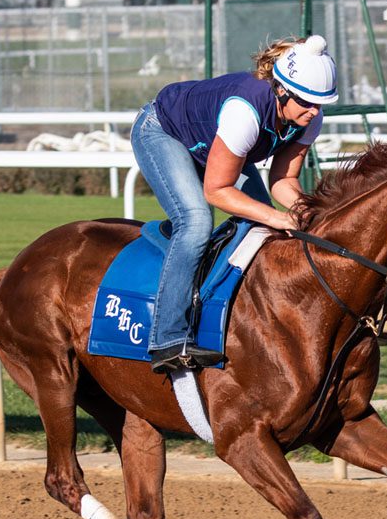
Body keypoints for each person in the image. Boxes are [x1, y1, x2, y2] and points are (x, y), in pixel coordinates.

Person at [130, 34, 340, 373]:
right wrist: (277, 216)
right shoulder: (245, 111)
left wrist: (309, 213)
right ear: (281, 91)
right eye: (306, 102)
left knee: (263, 227)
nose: (314, 111)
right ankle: (168, 339)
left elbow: (283, 183)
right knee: (196, 222)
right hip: (163, 132)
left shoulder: (308, 117)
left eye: (320, 103)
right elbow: (217, 191)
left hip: (211, 145)